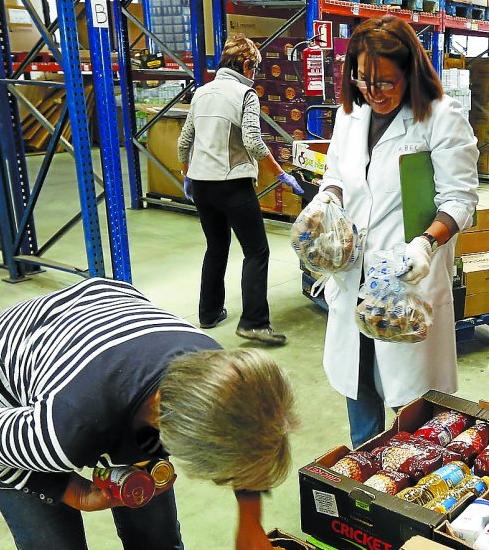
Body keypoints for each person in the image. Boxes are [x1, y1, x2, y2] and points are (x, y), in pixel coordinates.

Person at [0, 278, 297, 550]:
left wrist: (249, 521)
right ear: (170, 433)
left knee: (157, 539)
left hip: (99, 321)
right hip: (14, 379)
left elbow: (249, 438)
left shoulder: (218, 369)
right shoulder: (61, 431)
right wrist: (65, 489)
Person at [319, 16, 479, 448]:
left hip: (408, 281)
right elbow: (335, 173)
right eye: (364, 80)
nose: (375, 92)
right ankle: (364, 474)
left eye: (386, 82)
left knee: (416, 412)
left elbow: (460, 199)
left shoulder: (440, 118)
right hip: (353, 278)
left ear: (410, 72)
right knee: (360, 385)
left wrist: (427, 243)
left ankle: (415, 488)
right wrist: (327, 201)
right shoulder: (350, 116)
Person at [177, 34, 304, 346]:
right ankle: (255, 323)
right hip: (233, 185)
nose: (255, 75)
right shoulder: (245, 94)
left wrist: (187, 174)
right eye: (255, 69)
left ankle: (208, 313)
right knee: (257, 251)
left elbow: (184, 141)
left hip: (202, 187)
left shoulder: (202, 92)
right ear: (247, 64)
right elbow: (252, 141)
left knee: (216, 247)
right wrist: (280, 173)